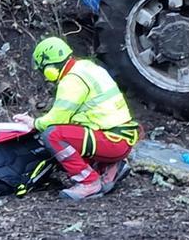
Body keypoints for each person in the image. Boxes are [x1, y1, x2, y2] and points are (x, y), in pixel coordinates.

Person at [12, 37, 141, 200]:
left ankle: (89, 182)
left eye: (43, 70)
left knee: (52, 135)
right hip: (122, 137)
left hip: (112, 141)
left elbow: (57, 118)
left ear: (49, 67)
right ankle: (109, 166)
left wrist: (34, 123)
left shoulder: (72, 80)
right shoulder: (87, 67)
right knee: (72, 133)